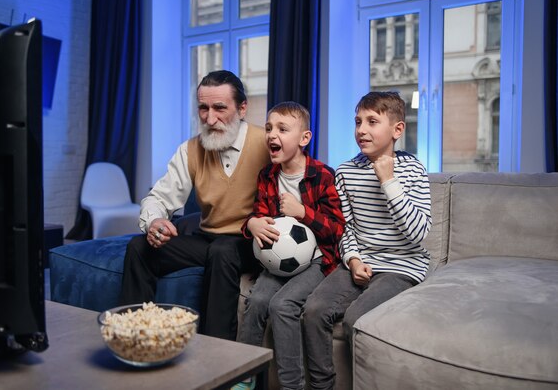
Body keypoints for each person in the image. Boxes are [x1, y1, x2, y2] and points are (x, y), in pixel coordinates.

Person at [119, 70, 270, 340]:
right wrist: (154, 221)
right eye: (203, 108)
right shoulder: (190, 149)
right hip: (209, 239)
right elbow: (158, 197)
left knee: (223, 251)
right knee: (138, 247)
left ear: (242, 108)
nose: (210, 118)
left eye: (220, 108)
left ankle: (217, 353)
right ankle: (137, 336)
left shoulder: (267, 144)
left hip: (251, 242)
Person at [302, 91, 432, 389]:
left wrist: (389, 181)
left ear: (397, 130)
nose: (361, 129)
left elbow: (418, 233)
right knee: (313, 310)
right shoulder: (346, 172)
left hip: (403, 266)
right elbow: (344, 228)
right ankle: (322, 386)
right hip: (361, 262)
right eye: (358, 121)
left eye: (372, 121)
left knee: (357, 318)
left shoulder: (413, 170)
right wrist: (353, 259)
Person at [234, 102, 345, 390]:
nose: (272, 135)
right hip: (279, 261)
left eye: (283, 129)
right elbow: (256, 214)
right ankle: (243, 379)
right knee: (256, 301)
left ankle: (291, 385)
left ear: (304, 138)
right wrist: (252, 224)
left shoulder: (322, 175)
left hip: (319, 260)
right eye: (269, 128)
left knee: (282, 305)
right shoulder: (267, 176)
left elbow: (336, 229)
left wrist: (302, 212)